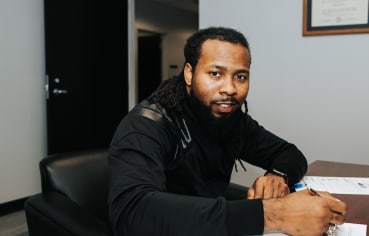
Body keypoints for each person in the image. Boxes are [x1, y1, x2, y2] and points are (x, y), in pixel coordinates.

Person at [108, 27, 347, 236]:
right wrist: (275, 215)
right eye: (215, 74)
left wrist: (277, 176)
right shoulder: (146, 126)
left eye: (240, 76)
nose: (230, 88)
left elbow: (289, 154)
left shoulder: (231, 120)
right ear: (189, 74)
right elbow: (132, 215)